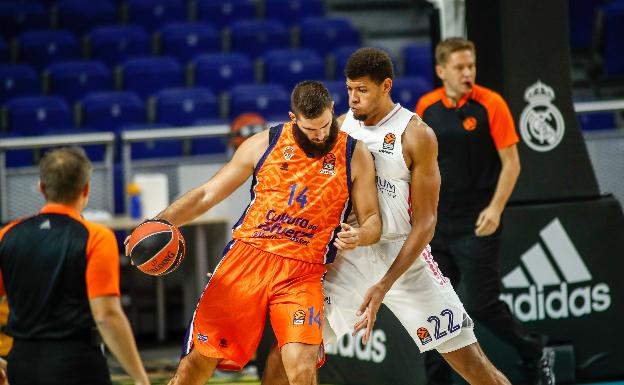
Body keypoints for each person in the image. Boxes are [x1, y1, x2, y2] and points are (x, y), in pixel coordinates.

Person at [262, 47, 511, 385]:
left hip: (404, 257)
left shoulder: (416, 134)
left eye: (362, 90)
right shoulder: (339, 128)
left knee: (475, 368)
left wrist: (382, 287)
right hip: (351, 255)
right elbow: (307, 197)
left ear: (386, 86)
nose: (353, 99)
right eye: (349, 89)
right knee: (288, 351)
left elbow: (425, 224)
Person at [146, 80, 381, 385]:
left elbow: (373, 220)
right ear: (293, 118)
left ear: (332, 110)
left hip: (303, 272)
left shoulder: (354, 153)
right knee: (197, 363)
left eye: (325, 125)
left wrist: (360, 235)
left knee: (301, 366)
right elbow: (206, 195)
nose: (321, 135)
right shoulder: (264, 143)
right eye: (312, 130)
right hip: (246, 261)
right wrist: (158, 222)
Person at [415, 37, 554, 385]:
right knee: (434, 308)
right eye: (459, 67)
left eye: (471, 66)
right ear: (441, 70)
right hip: (437, 224)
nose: (467, 73)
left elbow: (512, 164)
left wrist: (495, 209)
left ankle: (535, 350)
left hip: (478, 222)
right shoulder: (426, 107)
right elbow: (418, 162)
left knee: (479, 303)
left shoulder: (491, 104)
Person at [0, 147, 150, 385]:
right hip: (76, 364)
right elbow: (106, 315)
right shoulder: (96, 237)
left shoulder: (7, 235)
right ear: (86, 189)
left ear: (41, 187)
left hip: (22, 362)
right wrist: (140, 378)